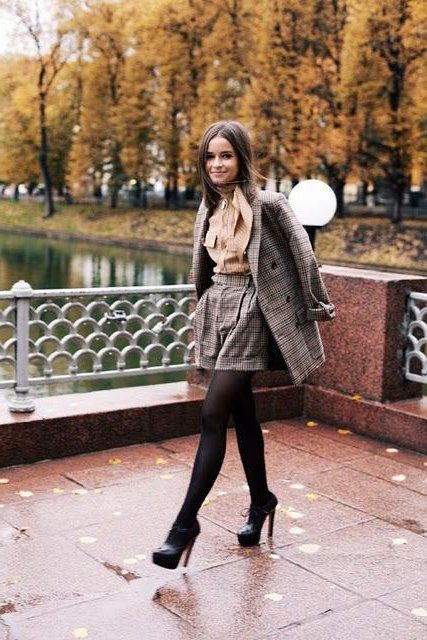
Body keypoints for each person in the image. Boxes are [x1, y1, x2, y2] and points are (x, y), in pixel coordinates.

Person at [152, 120, 336, 570]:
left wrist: (317, 307)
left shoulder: (269, 204)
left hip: (254, 309)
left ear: (242, 158)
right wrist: (202, 308)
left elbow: (304, 255)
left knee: (212, 413)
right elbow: (203, 264)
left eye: (226, 155)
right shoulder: (208, 205)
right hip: (218, 306)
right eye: (210, 156)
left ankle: (183, 525)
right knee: (243, 414)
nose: (217, 164)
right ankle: (262, 501)